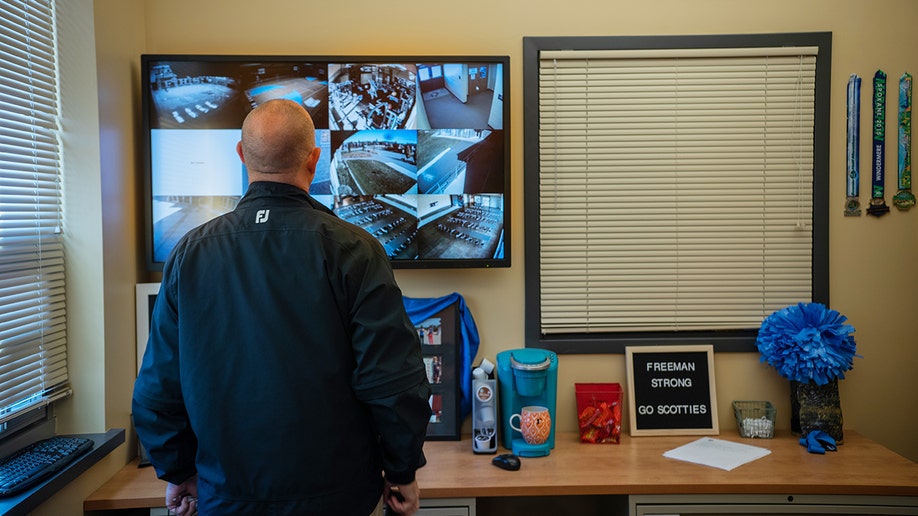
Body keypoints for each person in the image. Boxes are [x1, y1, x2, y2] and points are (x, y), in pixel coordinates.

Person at [132, 99, 432, 516]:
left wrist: (178, 472)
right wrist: (402, 472)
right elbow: (393, 382)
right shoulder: (356, 251)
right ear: (314, 160)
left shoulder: (189, 255)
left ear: (241, 155)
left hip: (226, 498)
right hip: (339, 500)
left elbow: (156, 391)